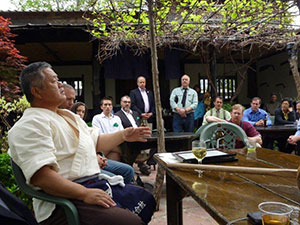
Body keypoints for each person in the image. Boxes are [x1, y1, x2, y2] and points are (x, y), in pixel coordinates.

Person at [8, 62, 154, 225]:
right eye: (54, 81)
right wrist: (84, 193)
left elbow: (97, 141)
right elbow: (42, 177)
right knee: (128, 222)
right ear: (36, 91)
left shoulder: (69, 117)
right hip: (65, 199)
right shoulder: (29, 124)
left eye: (59, 80)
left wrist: (124, 134)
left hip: (93, 183)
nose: (60, 84)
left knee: (146, 199)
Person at [71, 101, 134, 184]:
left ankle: (125, 189)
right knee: (116, 176)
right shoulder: (96, 118)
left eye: (83, 112)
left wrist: (98, 155)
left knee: (128, 170)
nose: (81, 114)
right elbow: (97, 137)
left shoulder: (84, 125)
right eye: (78, 111)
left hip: (100, 152)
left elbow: (120, 131)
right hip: (92, 156)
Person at [115, 96, 151, 176]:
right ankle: (137, 164)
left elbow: (139, 123)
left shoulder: (135, 114)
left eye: (128, 102)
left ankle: (145, 163)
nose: (127, 104)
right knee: (131, 149)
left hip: (140, 137)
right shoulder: (117, 116)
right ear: (121, 103)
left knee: (156, 144)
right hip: (128, 139)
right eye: (125, 102)